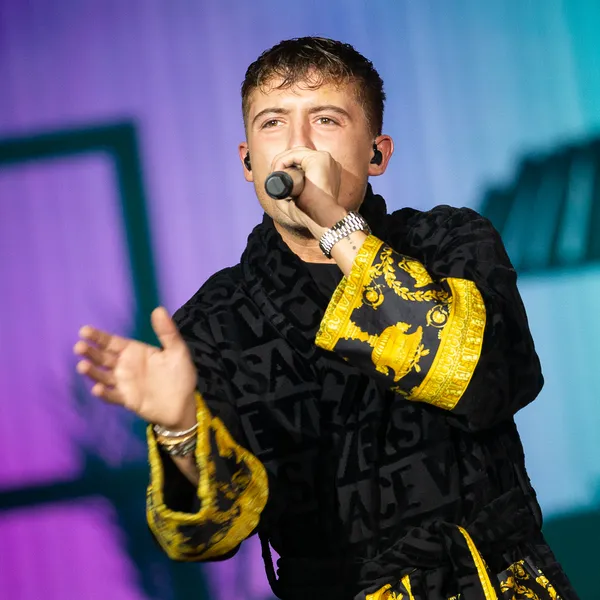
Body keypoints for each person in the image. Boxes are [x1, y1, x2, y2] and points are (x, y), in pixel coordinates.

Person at [74, 37, 578, 600]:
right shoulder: (214, 321)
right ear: (248, 161)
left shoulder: (449, 240)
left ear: (377, 154)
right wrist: (180, 430)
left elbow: (486, 382)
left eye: (326, 120)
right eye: (273, 123)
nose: (298, 146)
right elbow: (211, 534)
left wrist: (335, 226)